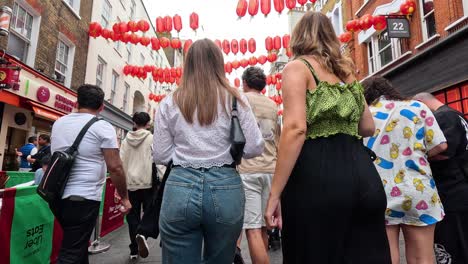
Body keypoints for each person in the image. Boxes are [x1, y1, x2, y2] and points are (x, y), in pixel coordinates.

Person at [264, 12, 391, 263]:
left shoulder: (298, 68)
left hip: (318, 178)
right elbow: (367, 126)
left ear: (298, 37)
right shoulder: (346, 71)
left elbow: (295, 128)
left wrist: (274, 193)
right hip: (364, 176)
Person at [153, 39, 264, 264]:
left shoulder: (169, 101)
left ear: (189, 64)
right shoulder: (235, 98)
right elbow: (254, 146)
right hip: (225, 185)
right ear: (218, 63)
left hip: (180, 185)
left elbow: (161, 155)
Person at [362, 77, 448, 264]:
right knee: (422, 257)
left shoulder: (365, 114)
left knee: (386, 255)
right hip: (417, 189)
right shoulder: (417, 107)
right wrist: (418, 155)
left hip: (379, 191)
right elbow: (440, 146)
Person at [50, 84, 131, 264]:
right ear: (102, 106)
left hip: (57, 197)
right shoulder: (103, 127)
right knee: (71, 253)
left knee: (78, 249)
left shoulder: (58, 123)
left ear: (76, 102)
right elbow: (115, 167)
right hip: (83, 198)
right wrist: (124, 197)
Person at [413, 92, 468, 263]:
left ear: (421, 104)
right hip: (460, 186)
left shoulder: (443, 116)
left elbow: (443, 151)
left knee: (454, 244)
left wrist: (415, 157)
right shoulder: (457, 115)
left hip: (452, 191)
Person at [237, 66, 280, 264]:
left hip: (248, 169)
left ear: (245, 82)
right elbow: (277, 138)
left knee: (251, 229)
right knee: (263, 228)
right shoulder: (272, 105)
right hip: (270, 169)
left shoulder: (240, 100)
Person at [119, 112, 154, 260]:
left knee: (132, 217)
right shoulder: (152, 138)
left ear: (134, 123)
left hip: (130, 183)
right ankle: (143, 234)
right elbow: (158, 159)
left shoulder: (125, 140)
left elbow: (120, 162)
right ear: (148, 124)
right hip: (148, 182)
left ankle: (134, 250)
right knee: (149, 213)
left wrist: (119, 187)